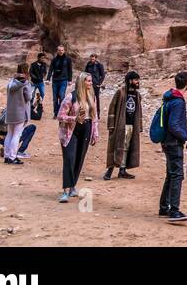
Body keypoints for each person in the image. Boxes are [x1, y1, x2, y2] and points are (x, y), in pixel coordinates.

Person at [159, 71, 187, 223]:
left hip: (167, 141)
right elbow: (174, 125)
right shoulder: (178, 102)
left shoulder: (169, 98)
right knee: (177, 175)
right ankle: (174, 210)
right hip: (174, 143)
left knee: (171, 174)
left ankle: (163, 208)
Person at [57, 72, 98, 203]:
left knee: (79, 158)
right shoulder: (71, 97)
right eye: (89, 81)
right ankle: (65, 190)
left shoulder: (92, 96)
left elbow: (94, 116)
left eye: (91, 81)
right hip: (71, 130)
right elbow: (60, 115)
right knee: (69, 158)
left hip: (86, 128)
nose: (91, 83)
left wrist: (95, 133)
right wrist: (74, 118)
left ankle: (72, 186)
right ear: (82, 82)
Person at [104, 70, 143, 180]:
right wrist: (111, 125)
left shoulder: (137, 95)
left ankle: (122, 170)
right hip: (120, 125)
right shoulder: (120, 92)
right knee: (116, 146)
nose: (137, 82)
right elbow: (112, 108)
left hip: (131, 126)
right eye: (136, 80)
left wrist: (139, 126)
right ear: (130, 80)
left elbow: (139, 111)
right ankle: (110, 170)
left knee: (127, 147)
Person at [4, 64, 33, 165]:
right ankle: (12, 157)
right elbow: (29, 97)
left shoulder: (11, 81)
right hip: (20, 111)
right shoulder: (25, 83)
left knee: (10, 134)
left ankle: (7, 156)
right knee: (17, 135)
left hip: (10, 111)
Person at [50, 46, 73, 116]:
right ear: (57, 51)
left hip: (63, 80)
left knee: (61, 96)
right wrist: (48, 78)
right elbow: (51, 69)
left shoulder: (68, 59)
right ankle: (55, 113)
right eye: (59, 50)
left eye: (62, 50)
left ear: (64, 51)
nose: (61, 51)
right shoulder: (54, 60)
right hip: (55, 81)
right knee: (55, 98)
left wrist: (70, 80)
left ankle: (60, 112)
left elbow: (70, 70)